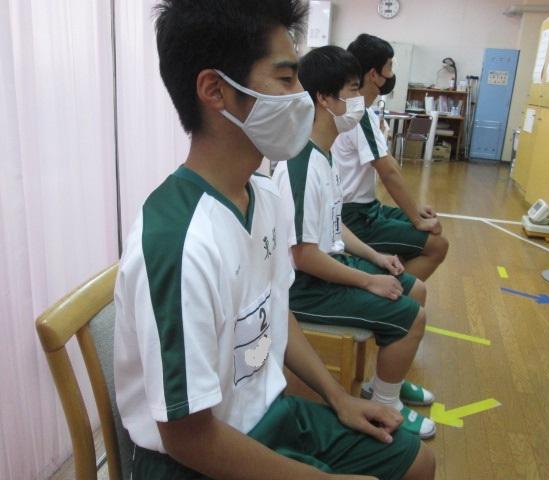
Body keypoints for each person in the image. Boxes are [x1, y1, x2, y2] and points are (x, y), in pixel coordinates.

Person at [114, 1, 435, 479]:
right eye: (286, 79)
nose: (302, 98)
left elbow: (275, 308)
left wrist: (339, 397)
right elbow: (188, 437)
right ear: (215, 90)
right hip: (196, 458)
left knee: (417, 461)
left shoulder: (262, 195)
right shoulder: (179, 241)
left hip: (269, 415)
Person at [274, 45, 437, 441]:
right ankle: (385, 404)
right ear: (324, 99)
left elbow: (334, 226)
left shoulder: (323, 155)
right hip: (306, 289)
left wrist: (376, 257)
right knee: (412, 315)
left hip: (327, 271)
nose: (359, 100)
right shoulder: (300, 165)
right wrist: (368, 281)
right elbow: (304, 256)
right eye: (351, 90)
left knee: (415, 289)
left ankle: (385, 384)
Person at [331, 34, 449, 282]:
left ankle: (390, 281)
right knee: (437, 245)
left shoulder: (361, 112)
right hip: (354, 216)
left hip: (367, 207)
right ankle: (396, 295)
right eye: (390, 66)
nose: (392, 73)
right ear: (373, 74)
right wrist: (416, 219)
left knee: (429, 228)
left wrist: (415, 210)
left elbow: (389, 165)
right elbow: (388, 171)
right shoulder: (358, 114)